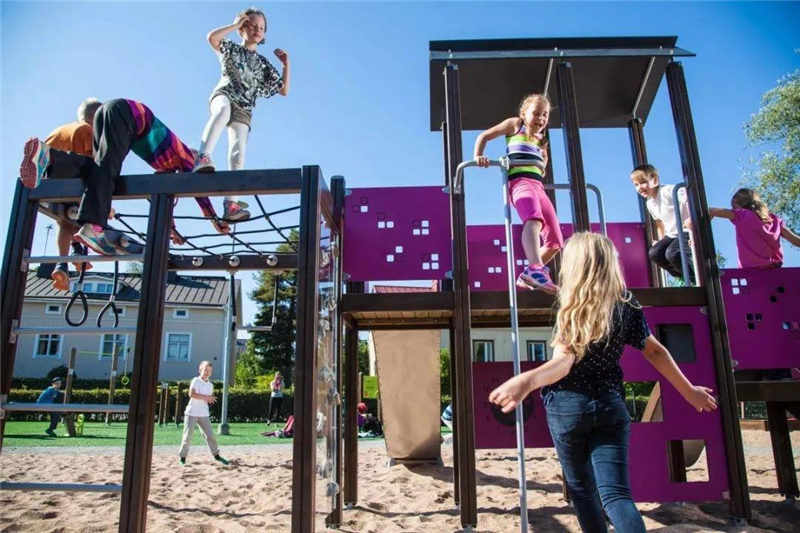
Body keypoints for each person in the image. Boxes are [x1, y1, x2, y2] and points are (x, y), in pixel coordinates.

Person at [489, 232, 717, 533]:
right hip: (610, 405)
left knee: (583, 491)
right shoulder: (626, 302)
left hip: (568, 407)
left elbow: (564, 362)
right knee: (616, 494)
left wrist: (526, 380)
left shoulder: (572, 305)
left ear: (573, 265)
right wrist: (690, 392)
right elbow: (655, 351)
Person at [19, 99, 229, 255]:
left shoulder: (167, 168)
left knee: (97, 170)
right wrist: (213, 218)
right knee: (109, 167)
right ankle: (94, 226)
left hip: (110, 115)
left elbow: (165, 201)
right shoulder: (187, 156)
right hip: (129, 114)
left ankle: (49, 157)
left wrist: (172, 230)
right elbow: (197, 189)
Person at [193, 7, 291, 222]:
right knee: (222, 112)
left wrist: (285, 64)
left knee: (238, 153)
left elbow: (283, 90)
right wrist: (234, 24)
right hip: (224, 94)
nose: (257, 30)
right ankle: (202, 156)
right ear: (243, 28)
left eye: (261, 28)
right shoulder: (231, 48)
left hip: (244, 108)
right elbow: (212, 38)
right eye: (252, 26)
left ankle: (231, 205)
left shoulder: (263, 64)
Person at [474, 93, 563, 293]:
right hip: (520, 183)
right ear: (524, 114)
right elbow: (484, 136)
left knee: (555, 241)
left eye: (545, 115)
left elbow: (543, 165)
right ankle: (537, 269)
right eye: (536, 113)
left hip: (538, 186)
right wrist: (478, 156)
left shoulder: (541, 140)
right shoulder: (516, 125)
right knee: (534, 220)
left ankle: (529, 274)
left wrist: (543, 161)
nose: (541, 118)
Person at [44, 97, 103, 290]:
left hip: (48, 185)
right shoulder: (87, 131)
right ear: (96, 117)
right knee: (88, 206)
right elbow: (91, 173)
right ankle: (77, 252)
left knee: (65, 219)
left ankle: (63, 263)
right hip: (69, 179)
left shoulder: (58, 132)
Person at [630, 164, 695, 284]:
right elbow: (659, 223)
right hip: (672, 234)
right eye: (636, 185)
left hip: (686, 231)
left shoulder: (667, 191)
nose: (640, 188)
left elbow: (688, 198)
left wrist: (691, 219)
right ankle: (681, 275)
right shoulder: (650, 203)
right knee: (655, 253)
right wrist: (661, 240)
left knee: (672, 253)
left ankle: (693, 279)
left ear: (655, 180)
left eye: (643, 182)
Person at [709, 188, 800, 269]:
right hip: (774, 270)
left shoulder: (742, 215)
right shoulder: (775, 220)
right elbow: (796, 241)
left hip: (752, 272)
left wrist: (708, 219)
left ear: (740, 205)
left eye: (733, 207)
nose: (732, 209)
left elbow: (712, 211)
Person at [178, 361, 229, 466]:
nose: (207, 372)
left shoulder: (210, 385)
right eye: (205, 370)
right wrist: (206, 398)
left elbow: (207, 399)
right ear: (200, 370)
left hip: (204, 414)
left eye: (209, 371)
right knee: (187, 437)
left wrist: (210, 399)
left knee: (210, 436)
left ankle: (216, 455)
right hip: (191, 413)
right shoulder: (195, 380)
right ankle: (182, 457)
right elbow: (191, 394)